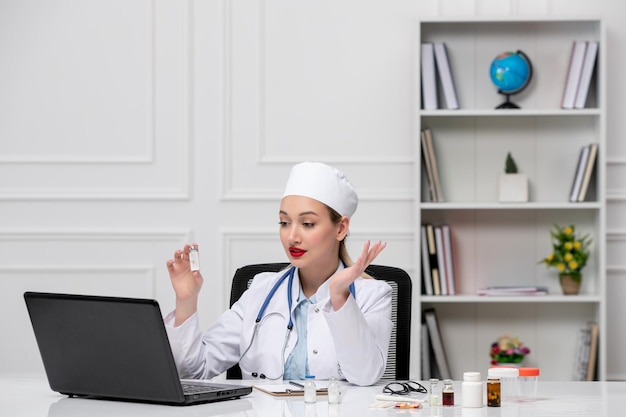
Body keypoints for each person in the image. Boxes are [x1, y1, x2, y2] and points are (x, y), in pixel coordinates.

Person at [164, 162, 392, 386]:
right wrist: (186, 301)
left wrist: (340, 297)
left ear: (340, 228)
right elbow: (193, 373)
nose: (292, 236)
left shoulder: (373, 295)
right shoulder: (260, 291)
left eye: (308, 223)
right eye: (284, 222)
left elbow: (366, 376)